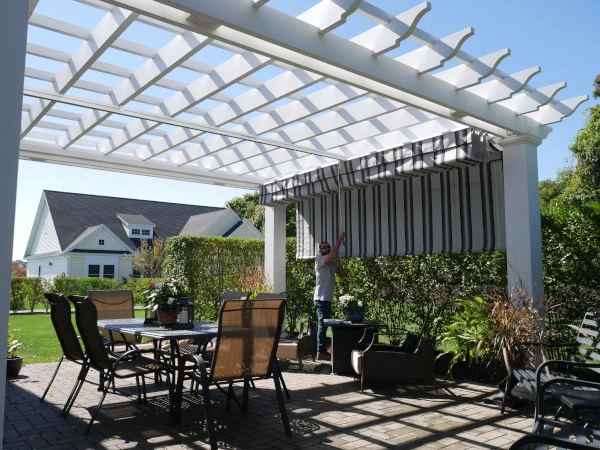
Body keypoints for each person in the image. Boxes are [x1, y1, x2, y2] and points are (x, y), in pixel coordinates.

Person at [314, 231, 346, 361]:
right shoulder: (320, 260)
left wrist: (339, 263)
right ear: (320, 251)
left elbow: (342, 275)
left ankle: (322, 350)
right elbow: (332, 254)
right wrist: (340, 239)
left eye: (328, 246)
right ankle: (320, 352)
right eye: (324, 247)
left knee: (324, 324)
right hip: (321, 298)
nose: (327, 248)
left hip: (327, 298)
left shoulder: (332, 263)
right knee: (322, 324)